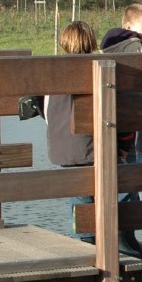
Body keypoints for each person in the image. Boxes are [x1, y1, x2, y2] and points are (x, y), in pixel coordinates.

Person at [33, 21, 113, 249]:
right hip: (89, 144)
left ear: (65, 42)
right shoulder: (96, 67)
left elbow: (46, 108)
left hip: (61, 144)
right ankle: (96, 240)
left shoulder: (53, 69)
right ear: (91, 41)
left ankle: (84, 240)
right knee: (94, 192)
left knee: (79, 194)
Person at [100, 4, 142, 260]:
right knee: (129, 180)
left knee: (123, 180)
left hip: (111, 121)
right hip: (128, 120)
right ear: (129, 28)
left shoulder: (107, 48)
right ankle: (127, 239)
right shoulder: (136, 48)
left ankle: (122, 238)